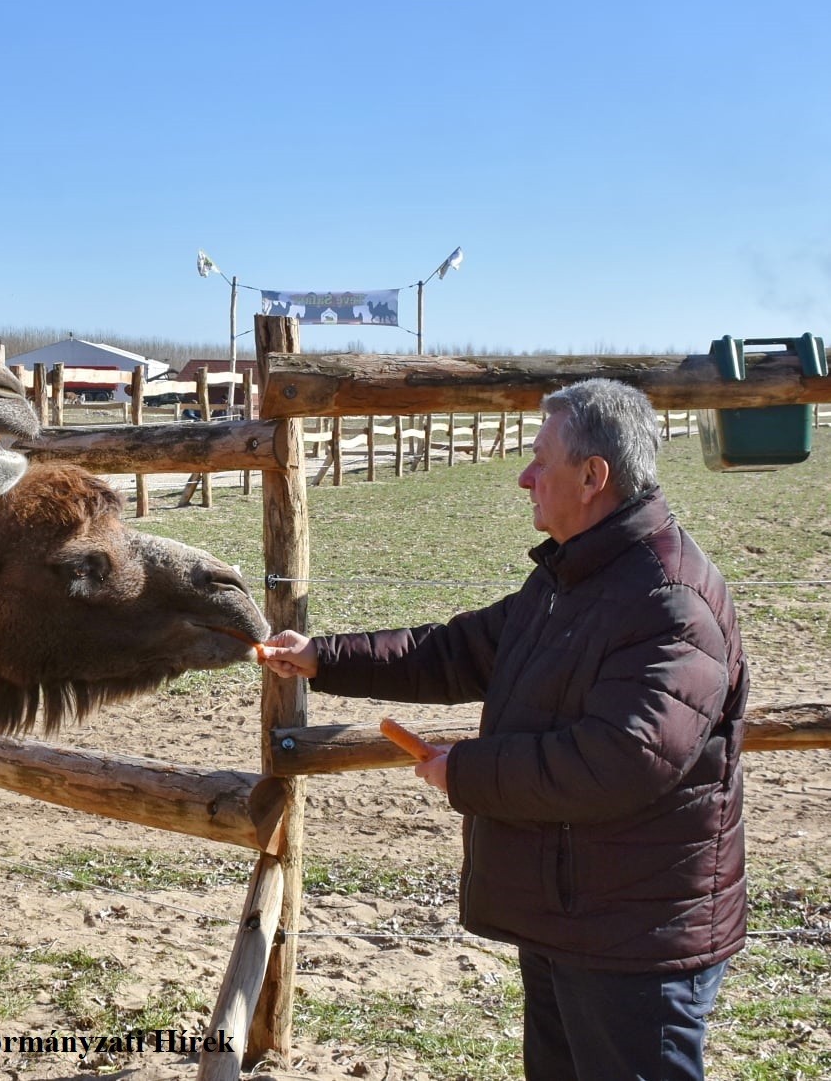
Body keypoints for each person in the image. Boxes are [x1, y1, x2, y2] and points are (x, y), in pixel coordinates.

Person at [264, 378, 745, 1081]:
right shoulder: (573, 577)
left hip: (633, 938)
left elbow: (620, 759)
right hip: (574, 914)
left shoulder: (667, 602)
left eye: (538, 459)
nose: (523, 476)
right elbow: (453, 651)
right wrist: (320, 657)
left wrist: (466, 772)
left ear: (592, 476)